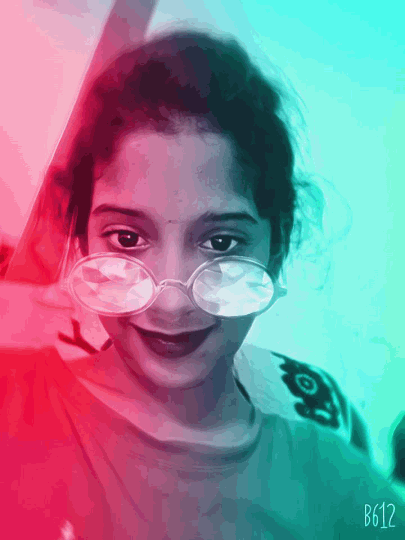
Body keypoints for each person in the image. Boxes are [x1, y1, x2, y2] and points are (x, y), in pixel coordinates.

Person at [1, 31, 403, 539]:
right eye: (127, 238)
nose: (171, 303)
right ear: (81, 240)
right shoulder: (11, 406)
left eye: (221, 243)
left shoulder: (337, 486)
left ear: (275, 250)